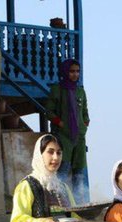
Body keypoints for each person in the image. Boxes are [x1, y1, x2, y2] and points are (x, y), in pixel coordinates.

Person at [45, 58, 90, 204]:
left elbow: (85, 111)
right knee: (62, 171)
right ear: (65, 72)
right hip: (63, 137)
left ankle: (79, 204)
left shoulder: (80, 91)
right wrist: (61, 123)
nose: (75, 74)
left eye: (77, 71)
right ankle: (60, 202)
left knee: (79, 172)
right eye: (71, 71)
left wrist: (85, 123)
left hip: (80, 137)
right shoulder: (57, 90)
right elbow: (49, 111)